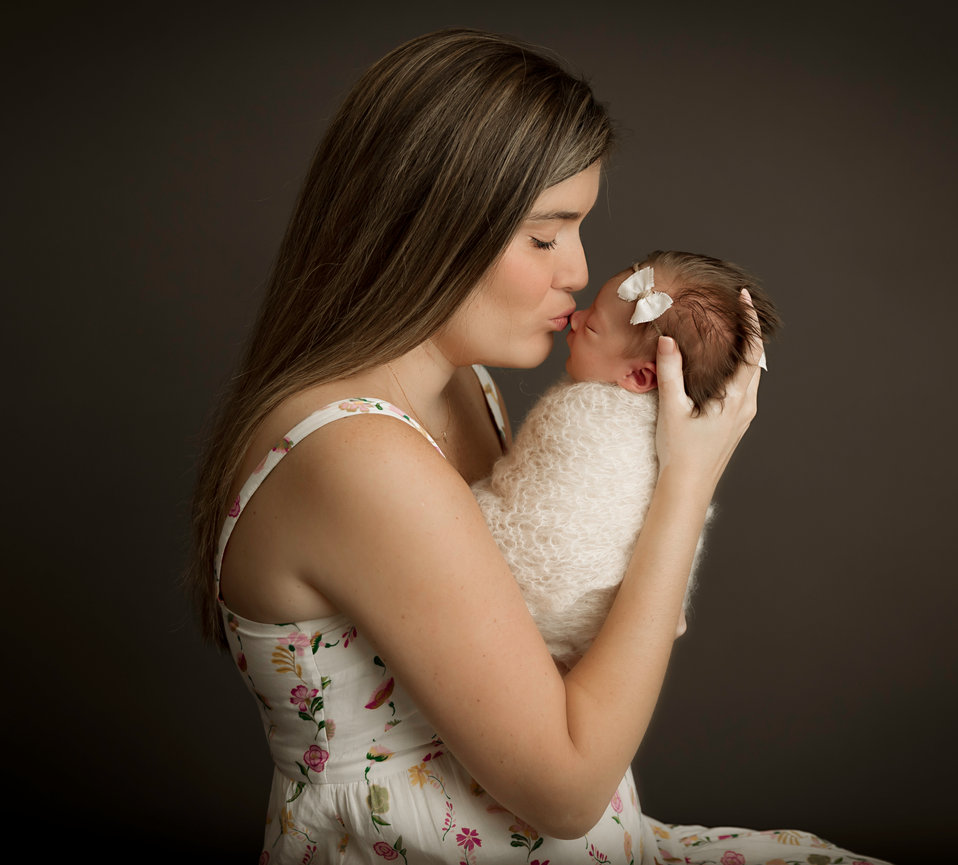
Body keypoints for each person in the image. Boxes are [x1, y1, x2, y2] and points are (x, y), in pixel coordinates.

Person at [190, 28, 892, 864]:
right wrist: (688, 483)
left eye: (578, 229)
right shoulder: (358, 455)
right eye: (544, 235)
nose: (578, 272)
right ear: (430, 225)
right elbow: (565, 788)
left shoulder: (464, 388)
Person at [473, 251, 781, 668]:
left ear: (639, 377)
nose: (576, 318)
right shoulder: (677, 439)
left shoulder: (580, 411)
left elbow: (524, 501)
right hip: (603, 625)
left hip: (520, 587)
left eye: (593, 326)